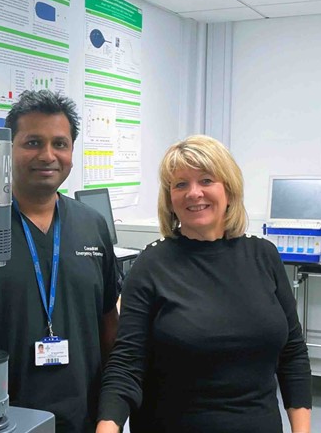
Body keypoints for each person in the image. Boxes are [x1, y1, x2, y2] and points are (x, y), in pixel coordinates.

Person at [96, 135, 312, 433]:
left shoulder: (264, 255)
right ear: (170, 198)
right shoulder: (152, 263)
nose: (193, 193)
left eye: (206, 180)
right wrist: (107, 427)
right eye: (180, 184)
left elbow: (293, 355)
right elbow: (126, 363)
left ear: (229, 189)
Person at [0, 89, 120, 432]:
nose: (48, 155)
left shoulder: (92, 225)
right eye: (32, 143)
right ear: (8, 150)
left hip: (80, 418)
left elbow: (108, 325)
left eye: (60, 143)